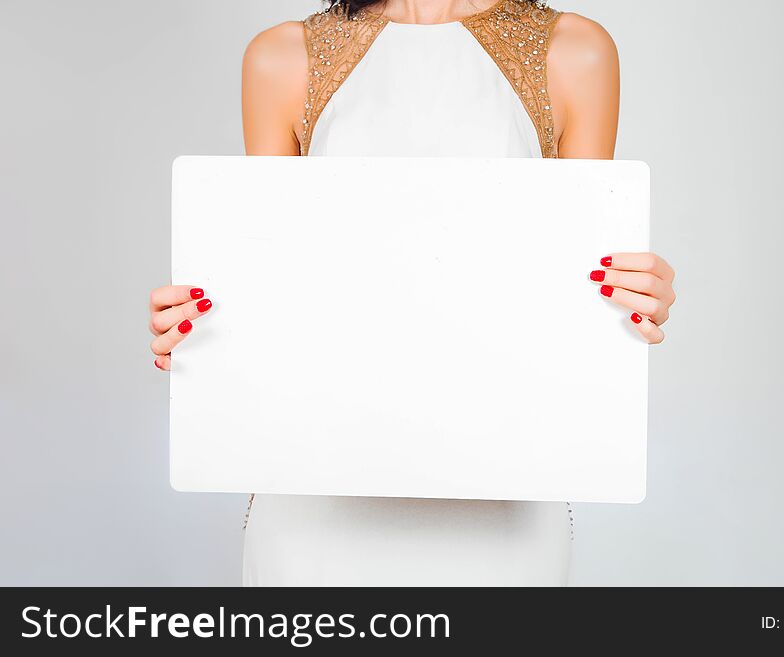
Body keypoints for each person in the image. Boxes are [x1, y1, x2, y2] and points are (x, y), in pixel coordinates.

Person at [148, 0, 677, 585]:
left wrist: (630, 299)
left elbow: (579, 278)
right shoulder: (283, 57)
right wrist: (206, 325)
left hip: (503, 502)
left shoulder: (573, 51)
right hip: (313, 505)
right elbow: (271, 277)